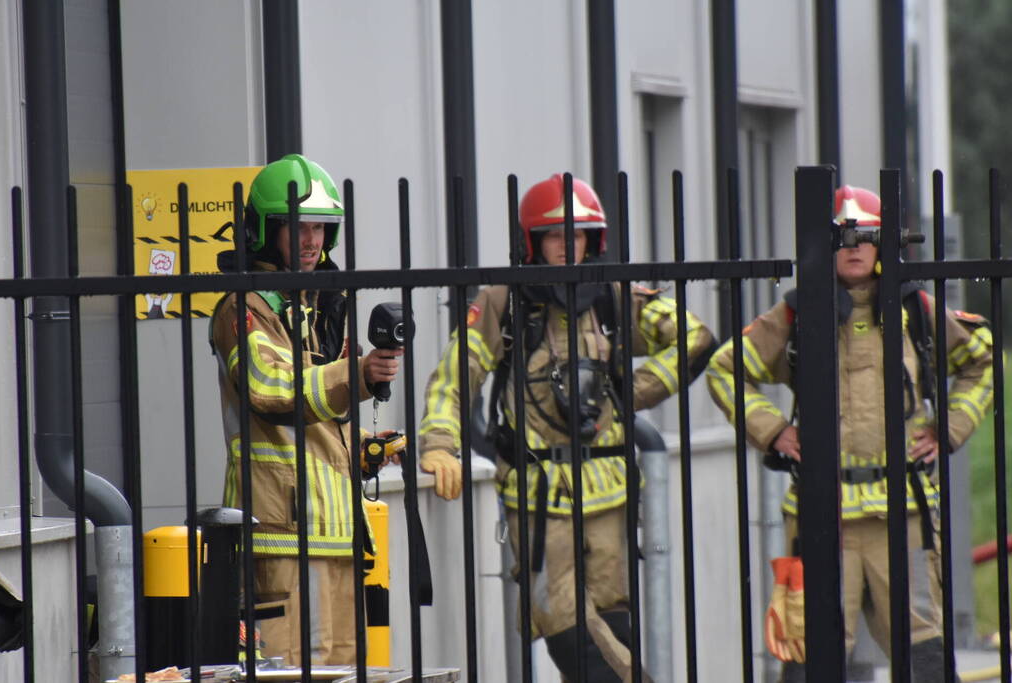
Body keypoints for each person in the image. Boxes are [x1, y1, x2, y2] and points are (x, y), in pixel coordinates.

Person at [417, 174, 716, 682]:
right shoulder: (501, 302)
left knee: (614, 624)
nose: (568, 246)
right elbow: (451, 380)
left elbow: (695, 338)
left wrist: (627, 391)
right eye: (556, 235)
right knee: (563, 626)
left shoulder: (614, 297)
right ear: (532, 242)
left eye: (578, 235)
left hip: (610, 494)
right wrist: (440, 445)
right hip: (538, 499)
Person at [705, 184, 994, 682]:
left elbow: (981, 359)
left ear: (884, 244)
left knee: (923, 652)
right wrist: (773, 431)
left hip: (903, 516)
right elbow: (723, 369)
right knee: (809, 653)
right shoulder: (795, 315)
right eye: (842, 236)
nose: (855, 245)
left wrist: (948, 428)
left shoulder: (917, 311)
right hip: (821, 514)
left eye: (866, 234)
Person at [210, 153, 404, 665]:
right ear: (263, 232)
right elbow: (270, 389)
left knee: (341, 672)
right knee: (288, 673)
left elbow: (316, 422)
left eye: (320, 227)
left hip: (336, 539)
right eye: (296, 226)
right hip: (278, 540)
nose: (311, 240)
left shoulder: (320, 304)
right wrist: (357, 375)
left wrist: (361, 447)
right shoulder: (242, 308)